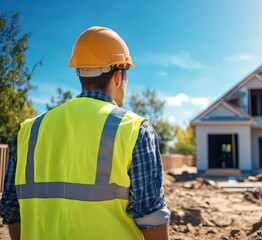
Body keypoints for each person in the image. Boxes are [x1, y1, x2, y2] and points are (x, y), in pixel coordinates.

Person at [0, 26, 170, 240]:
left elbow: (11, 208)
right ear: (119, 75)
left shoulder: (29, 130)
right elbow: (151, 215)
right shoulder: (134, 129)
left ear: (79, 72)